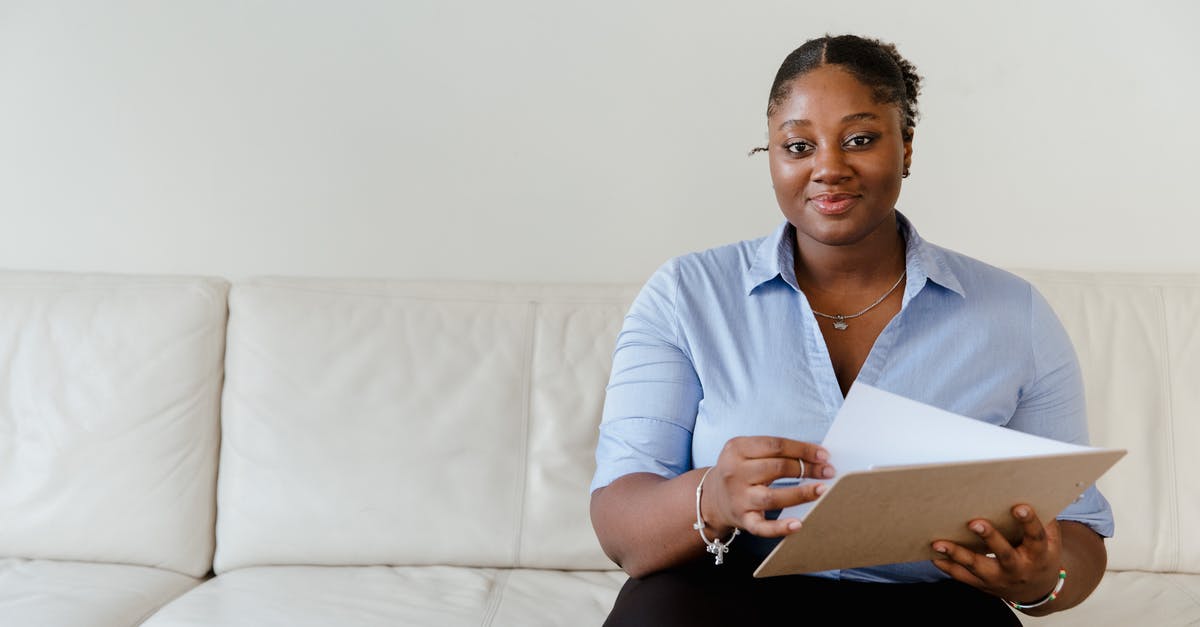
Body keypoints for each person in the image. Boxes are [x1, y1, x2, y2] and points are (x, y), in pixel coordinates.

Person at [589, 34, 1113, 625]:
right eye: (798, 145)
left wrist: (1044, 580)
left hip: (932, 601)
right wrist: (711, 496)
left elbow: (1077, 533)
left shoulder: (1014, 314)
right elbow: (620, 525)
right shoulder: (687, 295)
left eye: (860, 139)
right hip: (717, 594)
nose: (830, 168)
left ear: (906, 149)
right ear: (771, 157)